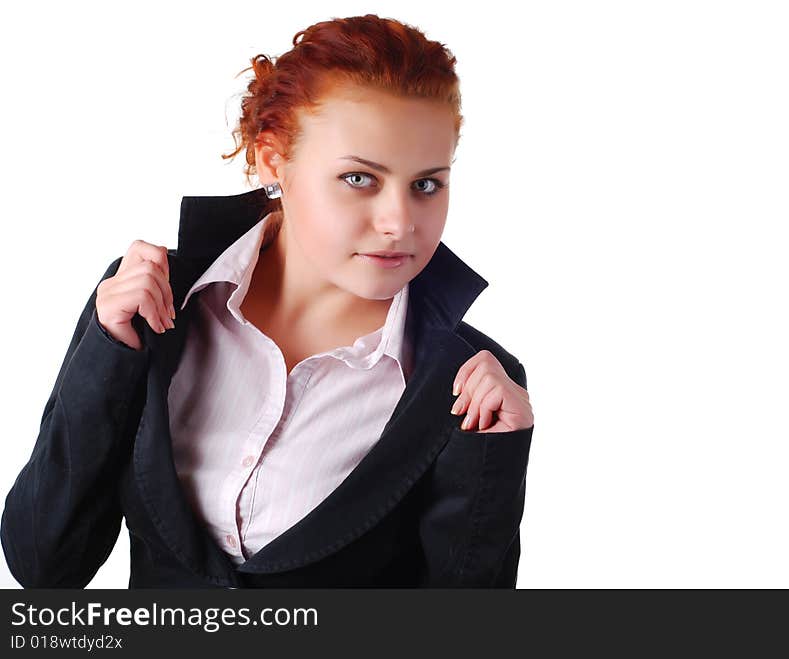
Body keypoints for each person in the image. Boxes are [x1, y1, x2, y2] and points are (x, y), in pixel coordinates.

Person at [1, 14, 534, 588]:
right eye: (360, 178)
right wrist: (107, 356)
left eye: (426, 184)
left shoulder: (469, 385)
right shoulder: (152, 305)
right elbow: (44, 566)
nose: (400, 223)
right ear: (273, 160)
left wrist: (494, 464)